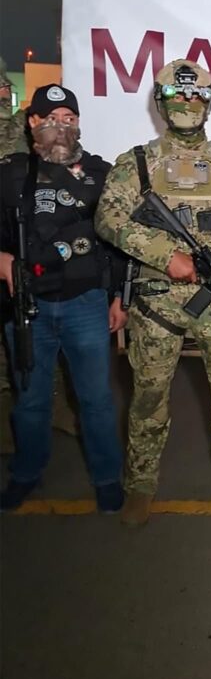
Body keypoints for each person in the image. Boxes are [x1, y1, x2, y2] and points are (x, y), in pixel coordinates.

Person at [95, 60, 211, 526]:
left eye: (195, 95)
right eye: (176, 95)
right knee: (148, 398)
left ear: (208, 102)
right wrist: (164, 254)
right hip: (156, 305)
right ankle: (140, 484)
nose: (187, 102)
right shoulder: (137, 164)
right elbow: (108, 217)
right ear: (161, 102)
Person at [0, 83, 126, 512]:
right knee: (31, 400)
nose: (60, 127)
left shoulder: (100, 174)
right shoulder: (10, 173)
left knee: (96, 400)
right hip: (27, 306)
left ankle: (107, 478)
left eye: (69, 119)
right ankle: (26, 472)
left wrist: (119, 298)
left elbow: (119, 243)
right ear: (32, 121)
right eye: (51, 119)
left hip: (86, 304)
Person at [0, 59, 79, 450]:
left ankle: (57, 407)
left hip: (33, 238)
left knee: (45, 327)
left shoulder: (22, 125)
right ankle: (11, 417)